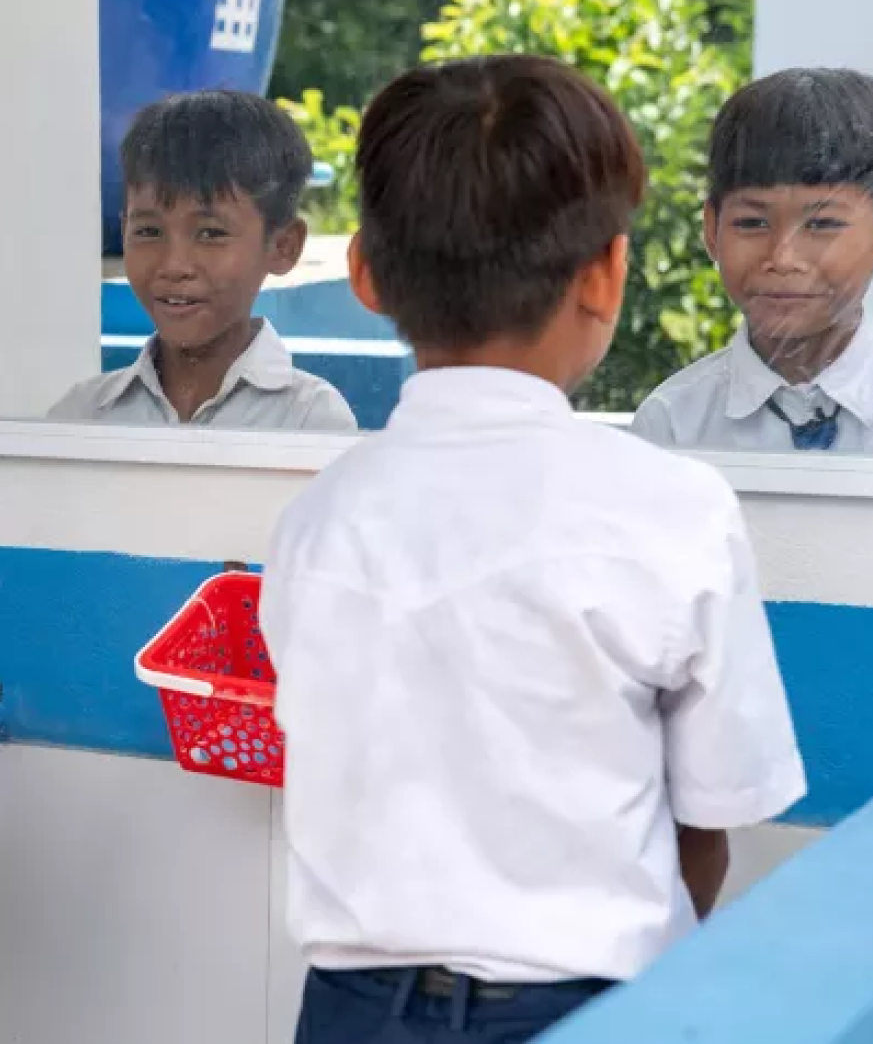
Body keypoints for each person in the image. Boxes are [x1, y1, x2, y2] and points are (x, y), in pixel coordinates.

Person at [260, 57, 806, 1044]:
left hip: (346, 1011)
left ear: (364, 277)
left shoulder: (317, 521)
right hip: (589, 1003)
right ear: (604, 273)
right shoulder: (670, 509)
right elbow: (713, 815)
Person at [632, 67, 873, 455]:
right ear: (712, 231)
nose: (782, 259)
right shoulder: (673, 423)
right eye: (752, 222)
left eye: (822, 224)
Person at [48, 91, 358, 430]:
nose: (174, 265)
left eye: (210, 234)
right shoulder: (83, 416)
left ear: (283, 246)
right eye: (149, 231)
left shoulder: (308, 420)